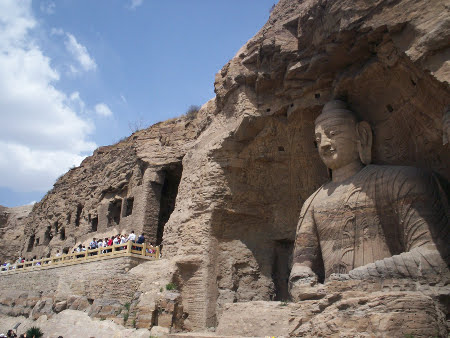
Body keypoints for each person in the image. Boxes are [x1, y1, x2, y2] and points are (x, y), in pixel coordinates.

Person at [289, 100, 449, 300]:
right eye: (318, 139)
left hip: (393, 300)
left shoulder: (402, 181)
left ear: (361, 135)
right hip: (331, 301)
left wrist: (357, 279)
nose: (324, 144)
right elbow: (302, 265)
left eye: (333, 134)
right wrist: (302, 284)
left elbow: (435, 257)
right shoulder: (313, 202)